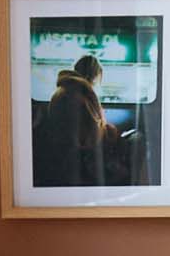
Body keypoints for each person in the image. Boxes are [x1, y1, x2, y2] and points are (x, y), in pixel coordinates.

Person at [31, 55, 116, 187]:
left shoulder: (63, 91)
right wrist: (109, 132)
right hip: (77, 158)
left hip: (60, 154)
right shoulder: (84, 95)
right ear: (95, 76)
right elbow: (92, 137)